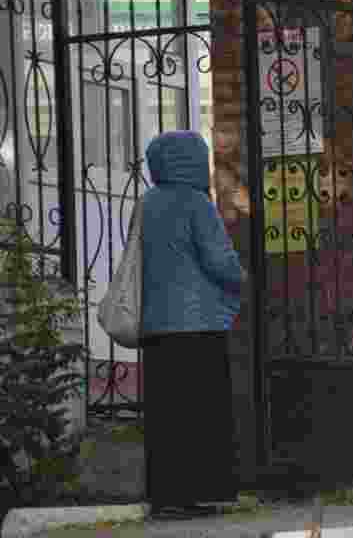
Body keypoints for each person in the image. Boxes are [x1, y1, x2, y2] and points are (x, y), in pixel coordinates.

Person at [140, 131, 245, 520]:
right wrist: (241, 278)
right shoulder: (197, 204)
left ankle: (166, 495)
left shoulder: (147, 203)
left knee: (167, 416)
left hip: (157, 326)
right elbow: (219, 261)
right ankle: (198, 493)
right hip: (198, 324)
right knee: (201, 413)